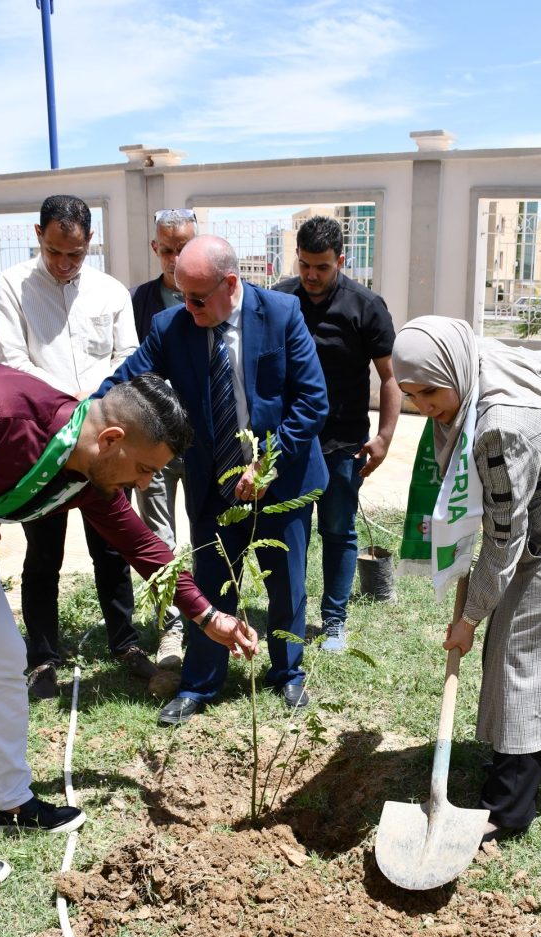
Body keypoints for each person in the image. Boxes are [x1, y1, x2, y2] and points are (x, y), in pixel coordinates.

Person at [0, 365, 257, 889]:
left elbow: (143, 546)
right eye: (142, 469)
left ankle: (8, 800)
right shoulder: (1, 412)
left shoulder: (82, 469)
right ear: (111, 438)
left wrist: (207, 616)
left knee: (1, 664)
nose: (144, 484)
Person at [392, 316, 541, 842]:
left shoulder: (500, 428)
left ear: (452, 369)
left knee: (518, 655)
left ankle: (507, 809)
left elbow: (504, 538)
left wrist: (471, 616)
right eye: (412, 395)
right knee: (524, 649)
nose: (426, 407)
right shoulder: (470, 363)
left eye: (432, 392)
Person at [97, 234, 328, 723]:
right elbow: (127, 380)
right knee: (211, 582)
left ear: (230, 283)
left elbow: (310, 402)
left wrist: (266, 464)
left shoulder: (282, 314)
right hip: (212, 482)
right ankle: (201, 683)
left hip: (279, 482)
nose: (189, 306)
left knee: (286, 580)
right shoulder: (171, 326)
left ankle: (288, 673)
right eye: (182, 294)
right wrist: (81, 418)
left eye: (198, 298)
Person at [0, 193, 153, 701]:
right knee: (44, 554)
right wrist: (72, 406)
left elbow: (128, 356)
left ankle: (124, 643)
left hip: (105, 442)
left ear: (90, 244)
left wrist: (97, 405)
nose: (65, 264)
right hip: (44, 444)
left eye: (76, 254)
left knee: (113, 545)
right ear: (38, 235)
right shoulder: (10, 287)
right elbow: (13, 362)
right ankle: (42, 657)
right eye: (56, 252)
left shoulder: (109, 292)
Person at [272, 215, 399, 651]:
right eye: (305, 265)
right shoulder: (280, 299)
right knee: (292, 533)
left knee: (338, 531)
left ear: (340, 260)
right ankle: (289, 614)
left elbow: (390, 377)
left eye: (322, 267)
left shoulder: (366, 307)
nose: (310, 275)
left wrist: (384, 436)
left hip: (343, 444)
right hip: (291, 442)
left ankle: (334, 620)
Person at [130, 209, 198, 674]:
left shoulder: (210, 294)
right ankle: (171, 627)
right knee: (158, 535)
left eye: (183, 248)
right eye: (167, 249)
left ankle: (209, 617)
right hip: (151, 444)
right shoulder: (139, 301)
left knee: (210, 528)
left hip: (201, 443)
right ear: (155, 248)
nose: (175, 258)